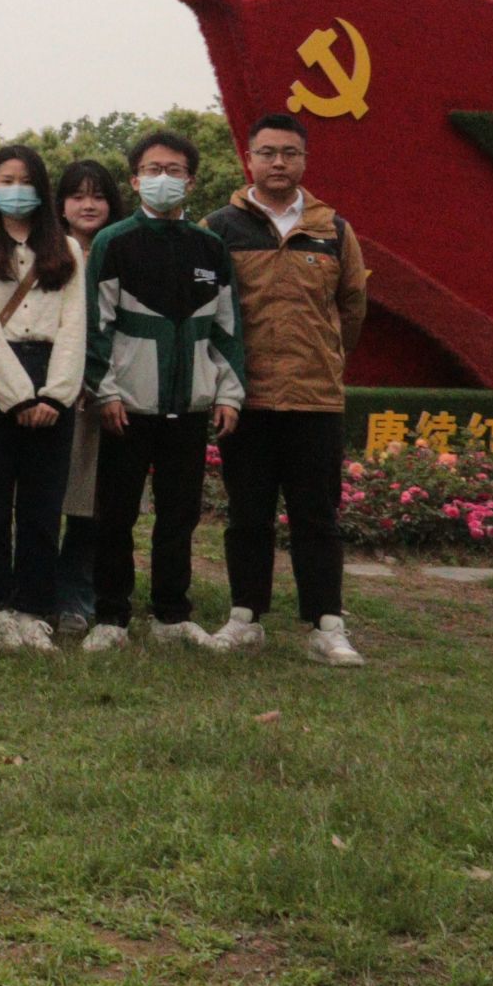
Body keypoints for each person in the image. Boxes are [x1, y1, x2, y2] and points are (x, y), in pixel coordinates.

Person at [204, 115, 370, 666]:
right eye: (269, 153)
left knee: (316, 517)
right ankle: (244, 617)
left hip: (314, 398)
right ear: (248, 159)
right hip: (244, 398)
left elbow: (351, 309)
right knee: (248, 513)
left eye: (290, 153)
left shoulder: (334, 230)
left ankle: (327, 625)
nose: (279, 163)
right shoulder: (219, 228)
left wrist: (321, 358)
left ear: (305, 160)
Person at [80, 129, 246, 652]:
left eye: (174, 170)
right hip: (127, 406)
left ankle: (172, 614)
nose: (163, 179)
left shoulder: (210, 247)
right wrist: (105, 392)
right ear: (135, 179)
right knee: (117, 514)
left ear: (190, 180)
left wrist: (227, 395)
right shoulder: (114, 242)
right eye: (153, 169)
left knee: (179, 514)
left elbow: (227, 327)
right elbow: (95, 326)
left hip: (190, 405)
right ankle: (111, 616)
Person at [0, 145, 87, 649]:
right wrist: (18, 398)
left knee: (42, 504)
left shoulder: (67, 249)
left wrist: (56, 395)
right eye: (5, 180)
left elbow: (76, 325)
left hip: (52, 377)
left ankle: (34, 607)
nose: (15, 190)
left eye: (25, 181)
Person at [49, 160, 125, 633]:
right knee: (47, 498)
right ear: (61, 205)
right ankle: (44, 589)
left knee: (93, 501)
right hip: (54, 389)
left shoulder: (121, 250)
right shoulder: (47, 252)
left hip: (110, 390)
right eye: (78, 196)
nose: (88, 204)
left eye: (98, 196)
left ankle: (78, 592)